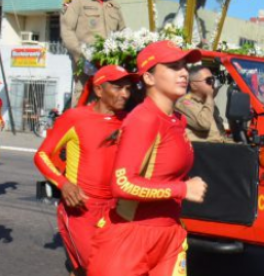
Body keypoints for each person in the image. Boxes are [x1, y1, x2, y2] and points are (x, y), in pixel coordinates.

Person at [88, 41, 209, 276]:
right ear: (149, 78)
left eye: (184, 66)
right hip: (130, 239)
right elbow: (122, 184)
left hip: (169, 237)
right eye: (173, 67)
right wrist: (182, 189)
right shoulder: (144, 119)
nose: (184, 72)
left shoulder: (177, 120)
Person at [33, 65, 137, 276]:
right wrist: (64, 184)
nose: (125, 94)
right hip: (82, 208)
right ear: (99, 90)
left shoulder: (131, 120)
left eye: (128, 88)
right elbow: (42, 156)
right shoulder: (75, 117)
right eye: (118, 88)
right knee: (99, 269)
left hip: (117, 208)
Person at [61, 0, 126, 107]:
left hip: (111, 73)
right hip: (86, 73)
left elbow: (123, 34)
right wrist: (82, 59)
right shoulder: (76, 1)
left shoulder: (114, 5)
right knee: (83, 114)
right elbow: (67, 32)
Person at [175, 65, 226, 142]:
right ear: (194, 85)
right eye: (209, 80)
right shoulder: (184, 103)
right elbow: (204, 124)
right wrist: (209, 97)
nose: (213, 84)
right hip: (201, 150)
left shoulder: (208, 103)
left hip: (217, 148)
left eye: (213, 80)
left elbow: (220, 135)